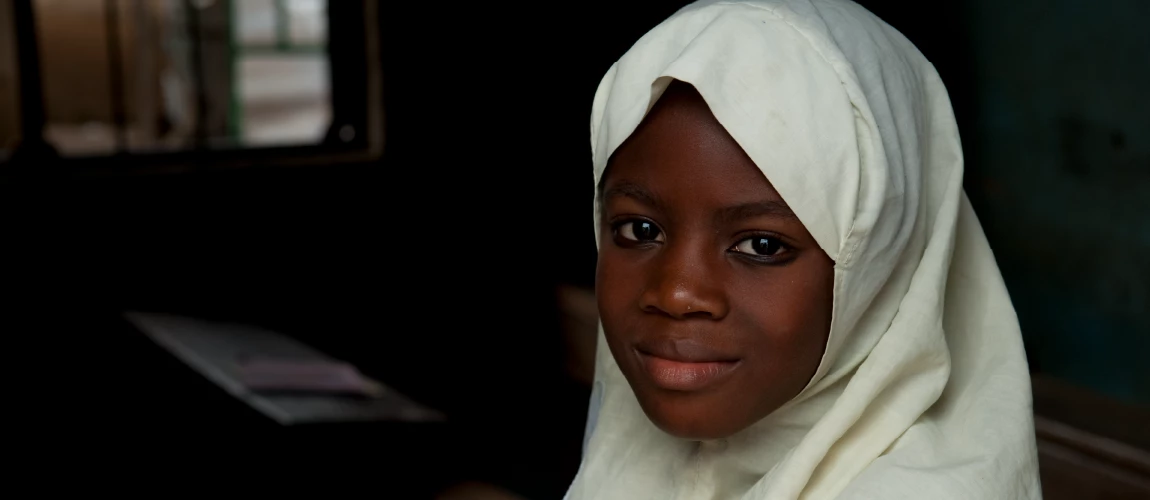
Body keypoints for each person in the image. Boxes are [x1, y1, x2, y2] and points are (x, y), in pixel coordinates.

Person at [565, 1, 1041, 498]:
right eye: (640, 230)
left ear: (880, 271)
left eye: (761, 245)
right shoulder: (633, 457)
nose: (677, 293)